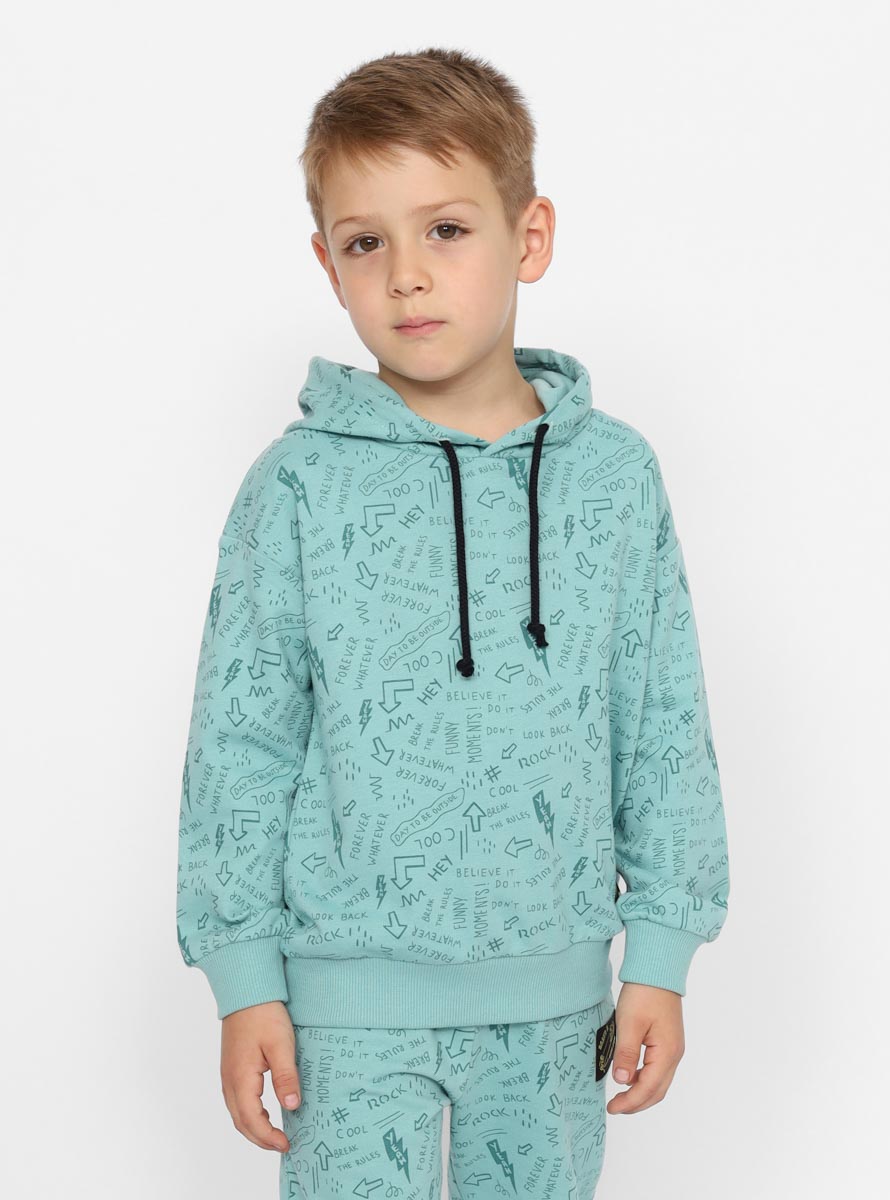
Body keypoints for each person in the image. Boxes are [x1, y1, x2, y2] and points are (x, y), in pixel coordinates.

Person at [175, 46, 731, 1199]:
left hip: (556, 1004)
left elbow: (662, 723)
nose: (408, 277)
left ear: (530, 235)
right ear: (327, 263)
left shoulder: (615, 479)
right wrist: (244, 977)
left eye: (446, 229)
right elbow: (241, 743)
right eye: (365, 243)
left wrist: (663, 953)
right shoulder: (297, 485)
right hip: (343, 1009)